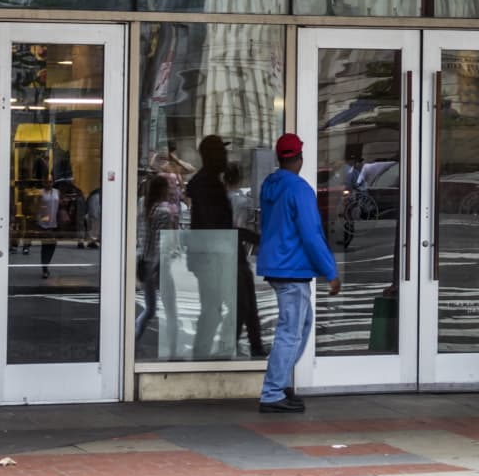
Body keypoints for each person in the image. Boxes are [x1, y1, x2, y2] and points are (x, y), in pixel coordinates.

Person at [256, 133, 339, 414]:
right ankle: (272, 392)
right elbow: (311, 234)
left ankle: (278, 382)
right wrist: (330, 271)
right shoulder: (299, 189)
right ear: (299, 158)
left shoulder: (270, 184)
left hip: (277, 264)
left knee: (300, 326)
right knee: (291, 331)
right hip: (292, 268)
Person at [187, 136, 265, 358]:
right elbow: (216, 229)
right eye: (221, 153)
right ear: (210, 156)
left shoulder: (210, 183)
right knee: (223, 308)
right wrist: (253, 237)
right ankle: (208, 354)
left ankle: (244, 349)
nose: (225, 157)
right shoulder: (207, 186)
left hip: (223, 256)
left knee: (241, 305)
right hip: (218, 257)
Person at [133, 173, 180, 346]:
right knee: (170, 309)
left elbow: (140, 234)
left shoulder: (142, 204)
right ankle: (174, 348)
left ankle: (132, 340)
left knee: (150, 308)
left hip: (143, 261)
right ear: (162, 190)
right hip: (158, 264)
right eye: (167, 187)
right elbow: (164, 243)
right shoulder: (164, 211)